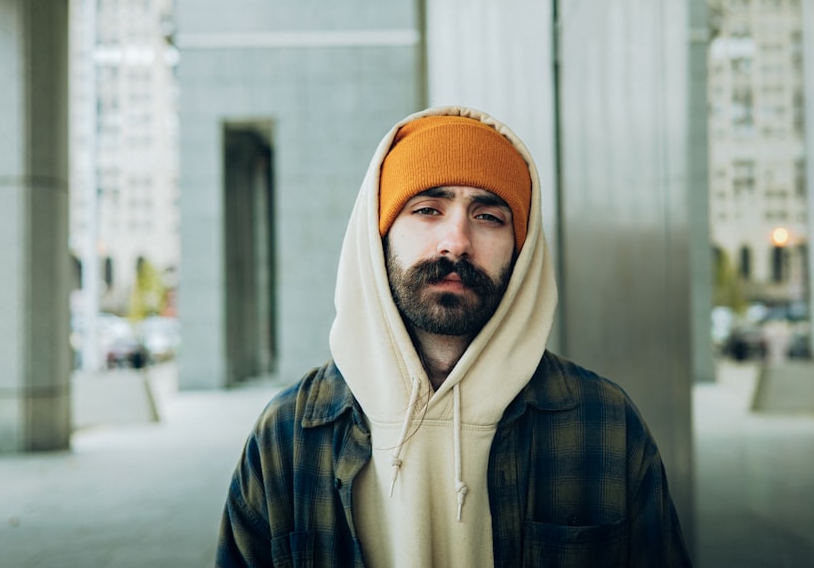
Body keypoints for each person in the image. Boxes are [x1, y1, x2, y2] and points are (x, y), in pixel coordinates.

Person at [217, 106, 692, 567]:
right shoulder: (288, 436)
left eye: (488, 216)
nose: (457, 241)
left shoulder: (603, 424)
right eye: (427, 209)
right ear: (378, 236)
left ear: (521, 250)